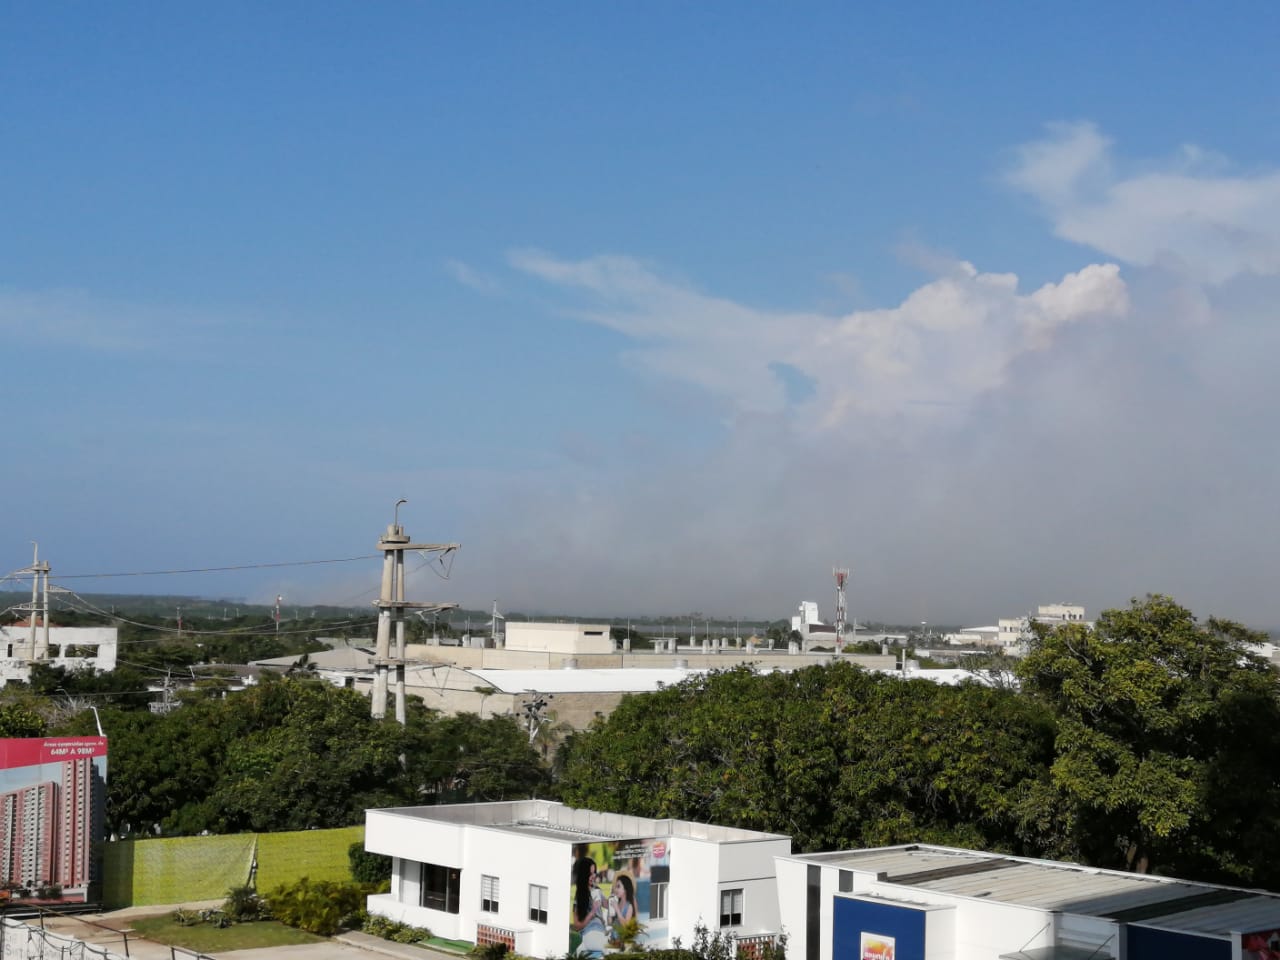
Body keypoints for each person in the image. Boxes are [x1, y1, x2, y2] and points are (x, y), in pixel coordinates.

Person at [572, 857, 607, 956]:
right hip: (590, 934)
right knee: (612, 949)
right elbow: (577, 926)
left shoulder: (596, 889)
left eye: (594, 872)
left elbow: (607, 905)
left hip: (600, 932)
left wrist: (616, 894)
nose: (593, 876)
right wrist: (592, 912)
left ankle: (582, 949)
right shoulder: (579, 896)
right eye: (590, 874)